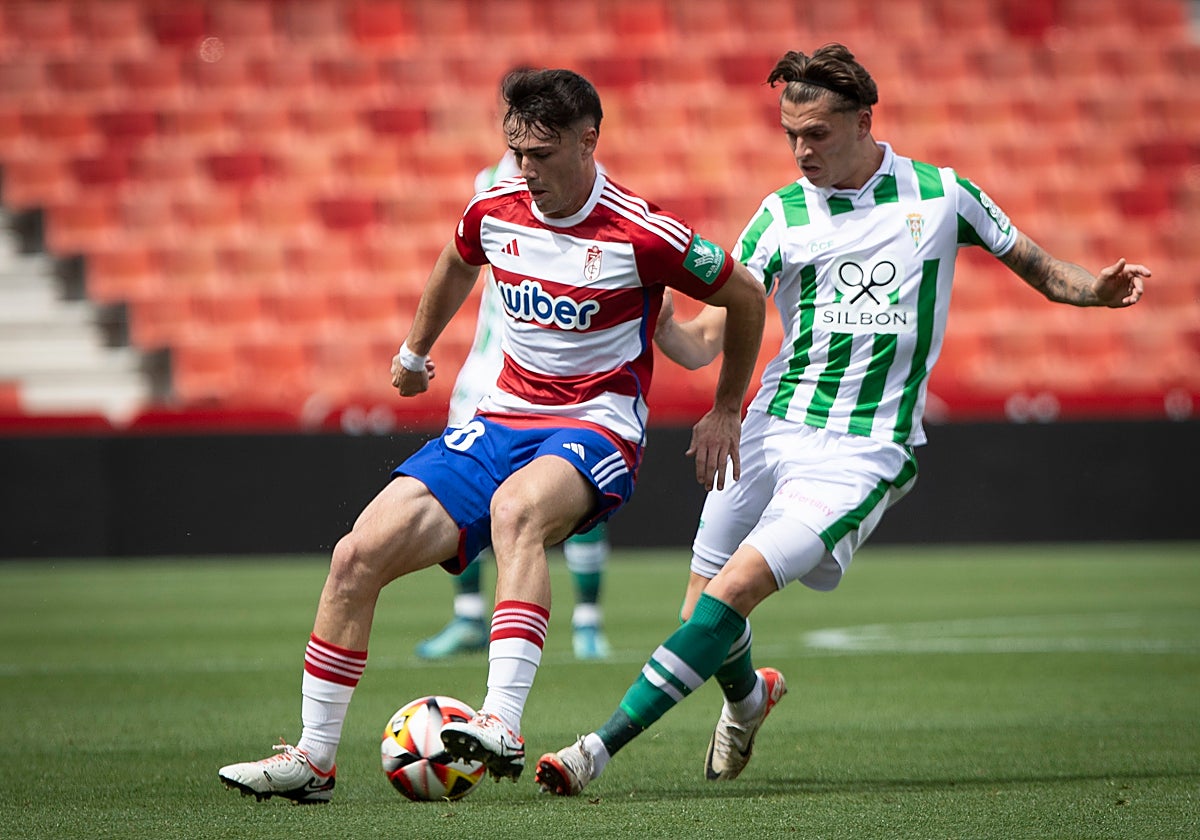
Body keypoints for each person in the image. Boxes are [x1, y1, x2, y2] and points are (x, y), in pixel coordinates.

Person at [534, 43, 1149, 796]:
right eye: (790, 134)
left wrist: (1098, 289)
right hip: (771, 425)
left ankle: (593, 750)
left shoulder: (941, 195)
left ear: (864, 121)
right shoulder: (779, 215)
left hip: (864, 447)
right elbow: (700, 343)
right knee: (699, 612)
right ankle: (751, 698)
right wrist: (644, 298)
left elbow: (1041, 268)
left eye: (817, 133)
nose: (801, 151)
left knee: (730, 597)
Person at [217, 67, 766, 803]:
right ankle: (313, 761)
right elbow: (455, 261)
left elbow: (744, 295)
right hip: (501, 415)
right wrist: (415, 353)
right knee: (356, 555)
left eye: (541, 153)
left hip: (597, 424)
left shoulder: (642, 230)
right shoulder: (495, 207)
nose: (526, 168)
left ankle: (501, 722)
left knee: (517, 512)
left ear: (587, 141)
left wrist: (726, 405)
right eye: (516, 151)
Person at [416, 150, 614, 662]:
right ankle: (467, 618)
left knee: (573, 487)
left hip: (558, 377)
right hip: (485, 370)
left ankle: (588, 622)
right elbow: (458, 262)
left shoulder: (584, 184)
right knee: (464, 491)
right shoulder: (489, 183)